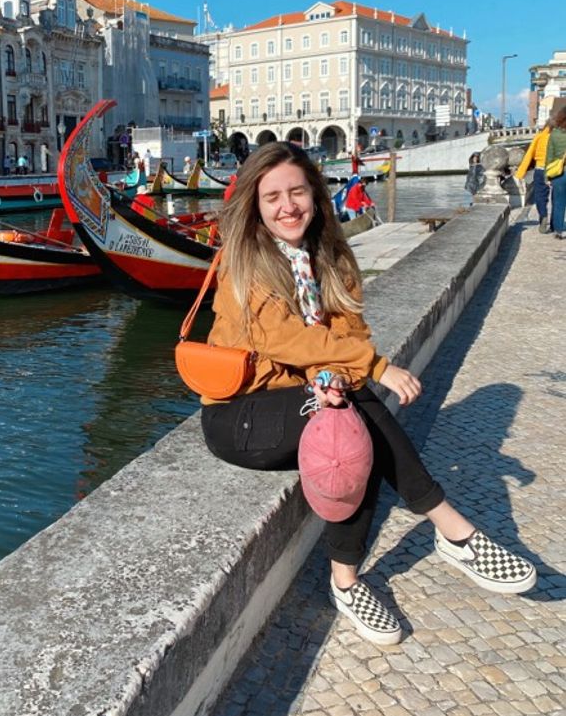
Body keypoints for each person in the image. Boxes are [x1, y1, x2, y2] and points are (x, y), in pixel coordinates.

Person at [199, 142, 536, 646]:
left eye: (296, 191)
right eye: (272, 197)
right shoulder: (242, 265)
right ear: (255, 205)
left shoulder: (331, 257)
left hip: (306, 398)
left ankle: (348, 583)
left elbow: (350, 335)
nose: (287, 206)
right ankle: (452, 530)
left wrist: (341, 374)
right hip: (239, 415)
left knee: (353, 432)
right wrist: (372, 367)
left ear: (315, 193)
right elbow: (283, 339)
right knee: (356, 416)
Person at [515, 123, 552, 232]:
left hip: (540, 169)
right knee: (557, 198)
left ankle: (543, 215)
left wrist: (520, 173)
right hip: (555, 170)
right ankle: (556, 223)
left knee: (540, 196)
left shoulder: (540, 136)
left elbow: (529, 154)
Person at [545, 106, 566, 240]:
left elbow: (549, 156)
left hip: (559, 174)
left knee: (559, 202)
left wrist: (547, 177)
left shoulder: (554, 135)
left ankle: (558, 230)